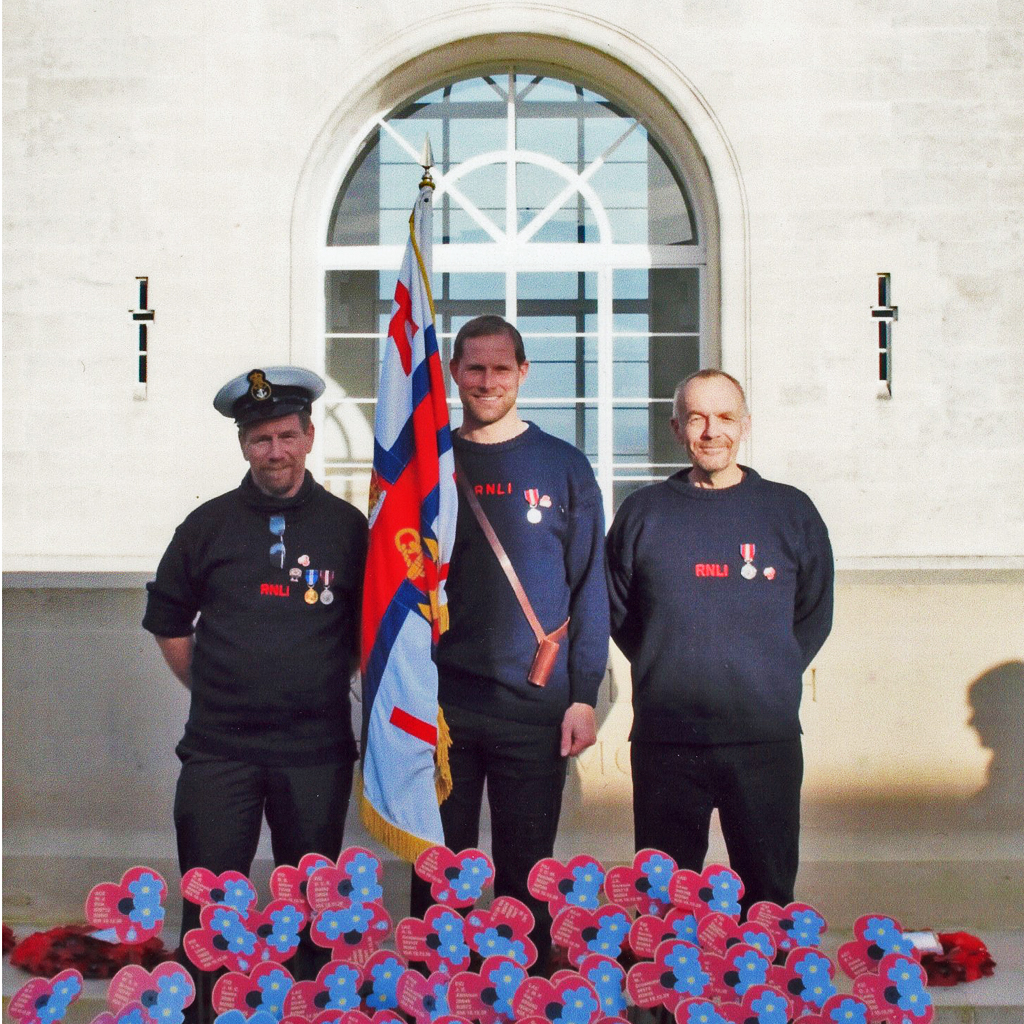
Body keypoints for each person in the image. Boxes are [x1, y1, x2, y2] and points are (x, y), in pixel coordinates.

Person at [142, 366, 368, 978]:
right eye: (261, 440)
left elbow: (368, 633)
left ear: (310, 436)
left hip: (314, 750)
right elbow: (167, 620)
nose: (276, 452)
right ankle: (205, 1011)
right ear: (243, 445)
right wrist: (213, 686)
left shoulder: (349, 530)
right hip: (222, 751)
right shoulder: (206, 525)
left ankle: (308, 1009)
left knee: (312, 910)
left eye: (287, 436)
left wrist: (316, 679)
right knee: (211, 909)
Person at [410, 315, 610, 970]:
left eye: (501, 368)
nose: (487, 381)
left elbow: (589, 592)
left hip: (534, 707)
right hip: (444, 710)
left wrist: (583, 697)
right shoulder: (427, 467)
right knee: (442, 880)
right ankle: (438, 1000)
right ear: (453, 374)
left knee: (528, 878)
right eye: (474, 368)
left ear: (523, 373)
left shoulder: (564, 466)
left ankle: (526, 998)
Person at [605, 369, 833, 910]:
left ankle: (772, 994)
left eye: (726, 417)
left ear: (745, 425)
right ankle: (665, 997)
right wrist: (673, 663)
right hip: (668, 740)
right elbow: (619, 612)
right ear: (677, 427)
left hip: (763, 740)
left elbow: (813, 614)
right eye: (697, 418)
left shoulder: (790, 511)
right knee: (663, 900)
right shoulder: (643, 512)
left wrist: (766, 670)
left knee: (769, 898)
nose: (712, 431)